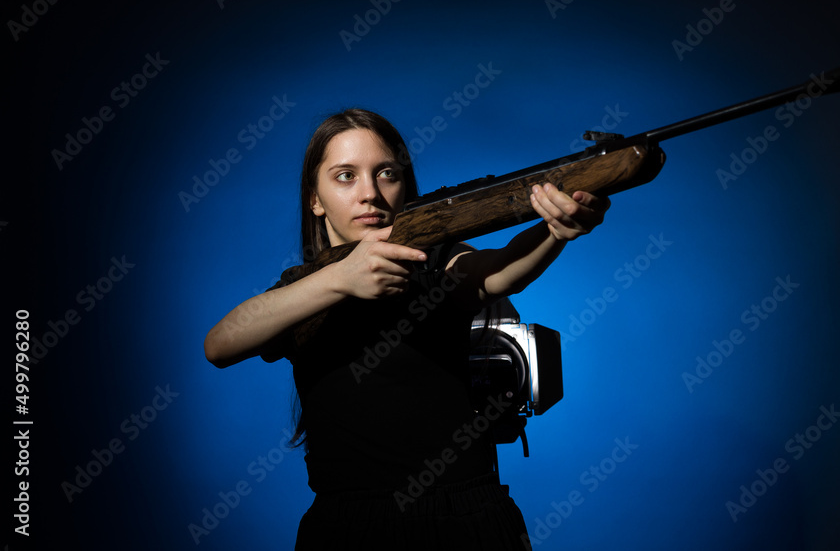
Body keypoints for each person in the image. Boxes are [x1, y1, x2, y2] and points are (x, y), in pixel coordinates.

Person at [204, 108, 610, 549]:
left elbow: (500, 271)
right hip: (346, 531)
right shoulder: (302, 290)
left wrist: (555, 231)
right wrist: (340, 279)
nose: (370, 194)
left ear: (406, 188)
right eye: (345, 176)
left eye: (386, 174)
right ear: (314, 199)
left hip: (468, 521)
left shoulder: (435, 263)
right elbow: (220, 344)